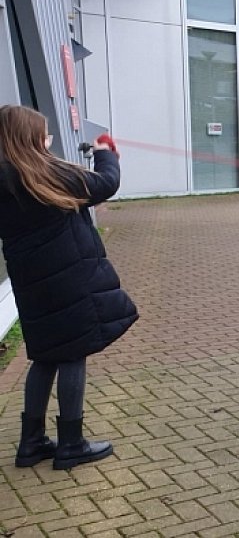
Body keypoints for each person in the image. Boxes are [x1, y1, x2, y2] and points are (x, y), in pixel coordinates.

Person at [1, 105, 136, 470]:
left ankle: (31, 444)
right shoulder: (44, 173)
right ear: (30, 137)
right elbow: (104, 184)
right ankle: (71, 444)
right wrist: (106, 154)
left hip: (31, 282)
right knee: (74, 352)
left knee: (45, 355)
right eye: (44, 135)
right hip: (67, 276)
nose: (49, 141)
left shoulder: (12, 176)